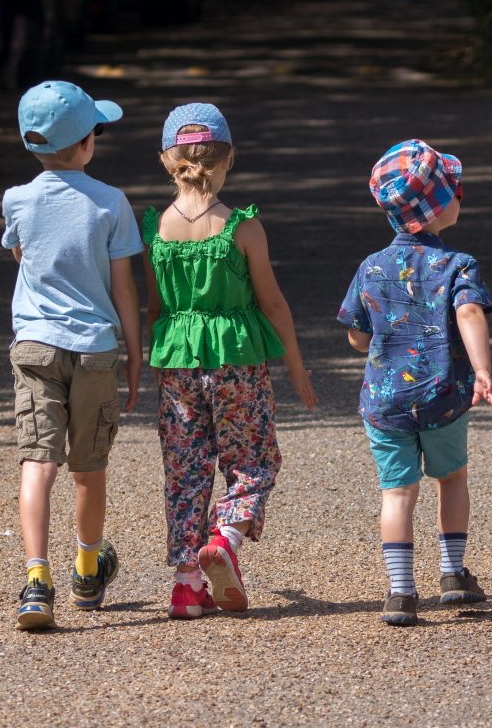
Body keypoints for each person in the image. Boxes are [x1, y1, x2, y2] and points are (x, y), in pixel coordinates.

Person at [143, 103, 317, 619]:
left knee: (185, 466)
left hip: (177, 359)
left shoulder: (155, 230)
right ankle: (226, 539)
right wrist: (297, 366)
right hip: (236, 359)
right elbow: (274, 304)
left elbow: (154, 308)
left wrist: (150, 362)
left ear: (166, 160)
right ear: (230, 158)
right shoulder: (242, 227)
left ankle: (185, 584)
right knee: (252, 458)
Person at [337, 139, 492, 627]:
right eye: (454, 188)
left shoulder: (371, 266)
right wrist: (484, 369)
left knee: (397, 492)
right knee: (451, 478)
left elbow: (357, 338)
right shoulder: (458, 265)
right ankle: (452, 575)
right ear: (438, 206)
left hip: (385, 402)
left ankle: (400, 590)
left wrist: (382, 338)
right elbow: (468, 312)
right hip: (443, 395)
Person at [2, 80, 143, 630]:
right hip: (94, 349)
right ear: (87, 143)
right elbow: (123, 289)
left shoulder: (16, 199)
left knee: (38, 462)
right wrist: (134, 357)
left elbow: (22, 255)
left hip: (35, 345)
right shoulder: (111, 203)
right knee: (90, 467)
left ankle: (37, 581)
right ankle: (88, 566)